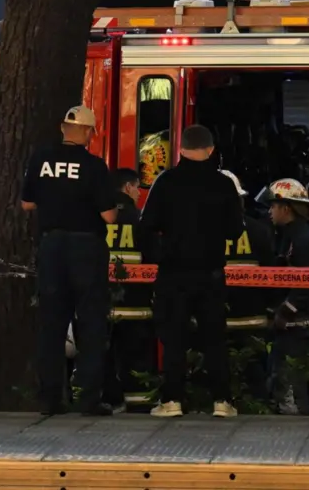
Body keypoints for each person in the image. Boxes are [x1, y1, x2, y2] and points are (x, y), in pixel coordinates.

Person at [140, 124, 243, 419]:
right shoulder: (223, 184)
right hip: (211, 273)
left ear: (181, 149)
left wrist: (161, 254)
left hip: (173, 273)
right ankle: (222, 401)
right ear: (210, 150)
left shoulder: (166, 181)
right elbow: (236, 230)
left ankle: (172, 400)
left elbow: (146, 226)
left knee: (174, 337)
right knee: (214, 338)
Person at [20, 105, 117, 417]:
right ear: (88, 132)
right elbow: (109, 216)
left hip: (51, 246)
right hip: (86, 248)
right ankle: (88, 398)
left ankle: (50, 398)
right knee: (90, 322)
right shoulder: (94, 166)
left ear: (63, 128)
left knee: (51, 323)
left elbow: (27, 203)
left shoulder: (40, 159)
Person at [259, 178, 309, 414]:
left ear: (285, 208)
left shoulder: (303, 240)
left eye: (273, 206)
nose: (269, 211)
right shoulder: (291, 236)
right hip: (290, 327)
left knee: (290, 393)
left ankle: (293, 435)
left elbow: (305, 283)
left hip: (296, 328)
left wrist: (284, 312)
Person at [102, 168, 156, 410]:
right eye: (136, 187)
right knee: (136, 358)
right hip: (136, 305)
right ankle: (138, 405)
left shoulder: (98, 217)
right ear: (126, 188)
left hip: (101, 305)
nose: (138, 193)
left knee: (103, 354)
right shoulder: (141, 220)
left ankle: (109, 399)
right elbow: (155, 258)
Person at [220, 170, 273, 402]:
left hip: (214, 319)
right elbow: (273, 275)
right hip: (253, 319)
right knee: (254, 374)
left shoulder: (199, 233)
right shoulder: (260, 231)